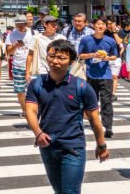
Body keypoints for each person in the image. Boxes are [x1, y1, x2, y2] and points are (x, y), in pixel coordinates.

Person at [24, 39, 109, 193]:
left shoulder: (82, 87)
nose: (55, 61)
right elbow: (30, 111)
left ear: (71, 61)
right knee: (59, 190)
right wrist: (38, 133)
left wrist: (101, 144)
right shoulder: (37, 84)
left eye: (61, 58)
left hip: (73, 147)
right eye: (51, 56)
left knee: (70, 192)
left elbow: (94, 118)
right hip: (48, 146)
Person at [77, 17, 120, 139]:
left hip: (105, 75)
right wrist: (92, 55)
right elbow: (80, 55)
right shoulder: (86, 40)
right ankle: (95, 123)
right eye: (98, 24)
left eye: (103, 24)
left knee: (107, 101)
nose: (101, 26)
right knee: (92, 101)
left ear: (106, 27)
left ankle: (108, 127)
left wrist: (106, 58)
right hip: (90, 74)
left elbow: (114, 56)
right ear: (93, 26)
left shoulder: (110, 41)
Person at [27, 15, 64, 81]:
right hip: (41, 71)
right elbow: (30, 55)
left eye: (56, 25)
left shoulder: (62, 38)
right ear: (45, 25)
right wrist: (27, 73)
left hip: (58, 70)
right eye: (52, 25)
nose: (55, 27)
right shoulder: (36, 38)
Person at [8, 18, 34, 108]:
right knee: (20, 91)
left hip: (32, 66)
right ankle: (24, 110)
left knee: (34, 90)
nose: (20, 26)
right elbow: (8, 53)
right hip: (18, 65)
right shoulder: (12, 35)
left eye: (23, 24)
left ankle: (32, 110)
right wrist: (15, 46)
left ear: (26, 24)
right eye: (18, 24)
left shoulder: (34, 33)